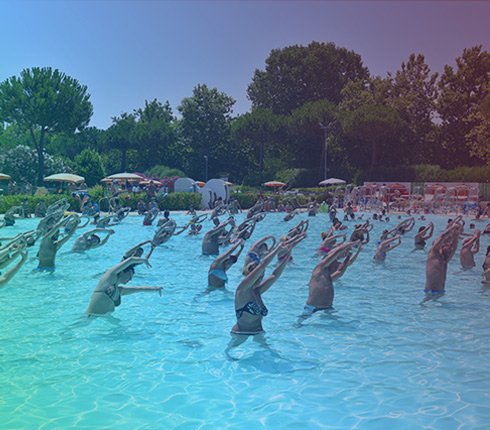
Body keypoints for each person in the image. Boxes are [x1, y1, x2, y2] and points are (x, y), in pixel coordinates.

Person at [231, 243, 291, 335]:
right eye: (258, 276)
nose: (260, 279)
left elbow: (274, 275)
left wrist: (287, 256)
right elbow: (262, 265)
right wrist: (276, 250)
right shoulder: (242, 289)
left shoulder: (257, 291)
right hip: (241, 334)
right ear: (249, 275)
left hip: (259, 332)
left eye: (262, 276)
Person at [85, 257, 161, 315]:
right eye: (129, 275)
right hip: (89, 318)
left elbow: (139, 289)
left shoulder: (120, 291)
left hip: (104, 321)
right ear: (121, 272)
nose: (130, 279)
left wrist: (156, 289)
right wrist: (143, 260)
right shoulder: (109, 278)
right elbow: (130, 260)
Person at [305, 242, 357, 313]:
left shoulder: (328, 278)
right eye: (335, 264)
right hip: (313, 308)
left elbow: (340, 272)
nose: (336, 267)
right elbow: (337, 252)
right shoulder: (319, 269)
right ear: (329, 262)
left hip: (327, 308)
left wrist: (348, 257)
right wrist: (349, 244)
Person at [423, 222, 461, 302]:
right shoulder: (433, 254)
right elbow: (442, 237)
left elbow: (454, 247)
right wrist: (452, 227)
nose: (450, 248)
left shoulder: (445, 260)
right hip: (430, 292)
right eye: (448, 246)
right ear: (441, 246)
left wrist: (455, 235)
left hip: (441, 292)